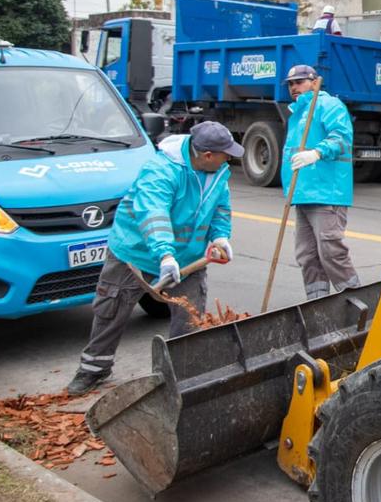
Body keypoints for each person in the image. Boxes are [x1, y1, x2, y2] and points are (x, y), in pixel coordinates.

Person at [65, 121, 241, 396]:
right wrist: (165, 255)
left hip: (187, 260)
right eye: (225, 153)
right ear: (207, 155)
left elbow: (220, 208)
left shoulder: (219, 173)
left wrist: (220, 237)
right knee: (111, 312)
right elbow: (153, 213)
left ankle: (178, 375)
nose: (229, 157)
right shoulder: (160, 171)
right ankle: (93, 369)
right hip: (134, 255)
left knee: (190, 318)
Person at [281, 64, 362, 298]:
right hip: (302, 193)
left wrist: (316, 153)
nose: (294, 87)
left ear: (314, 82)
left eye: (300, 82)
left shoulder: (328, 105)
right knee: (307, 255)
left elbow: (341, 138)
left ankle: (355, 300)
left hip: (327, 192)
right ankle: (317, 305)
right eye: (291, 84)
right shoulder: (298, 113)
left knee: (331, 252)